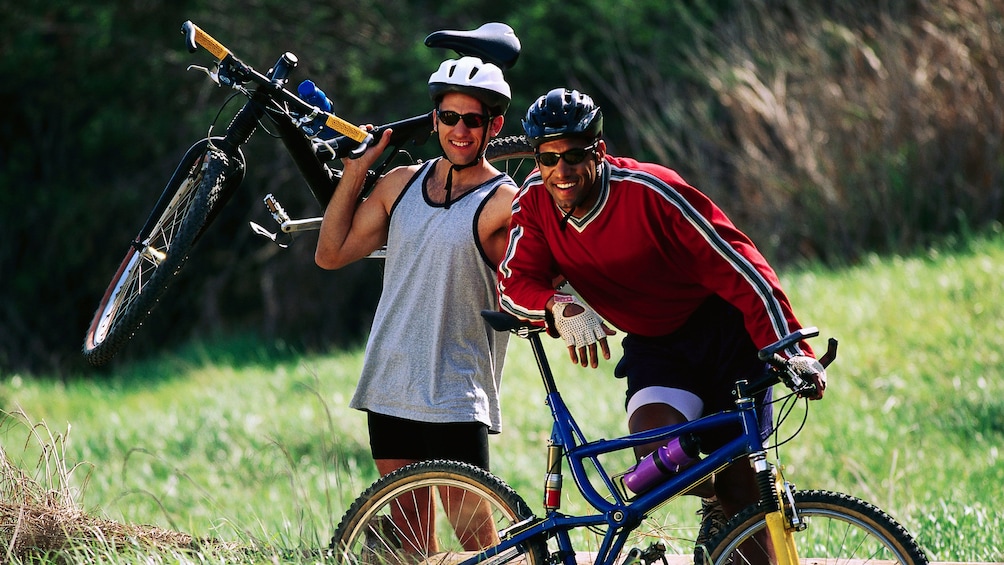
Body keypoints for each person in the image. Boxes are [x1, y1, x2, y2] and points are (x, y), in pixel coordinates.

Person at [497, 88, 827, 555]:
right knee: (656, 463)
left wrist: (791, 349)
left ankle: (734, 511)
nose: (560, 171)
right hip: (657, 345)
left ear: (599, 151)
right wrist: (556, 306)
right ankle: (721, 506)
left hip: (727, 334)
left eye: (574, 155)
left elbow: (741, 267)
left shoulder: (652, 192)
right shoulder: (533, 201)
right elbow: (514, 282)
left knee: (743, 498)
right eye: (547, 158)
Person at [316, 56, 518, 552]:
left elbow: (535, 269)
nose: (461, 130)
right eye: (449, 117)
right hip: (391, 379)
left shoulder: (503, 199)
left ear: (495, 126)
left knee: (479, 540)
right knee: (410, 542)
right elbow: (330, 253)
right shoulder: (400, 182)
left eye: (473, 120)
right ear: (435, 120)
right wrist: (357, 170)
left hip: (455, 387)